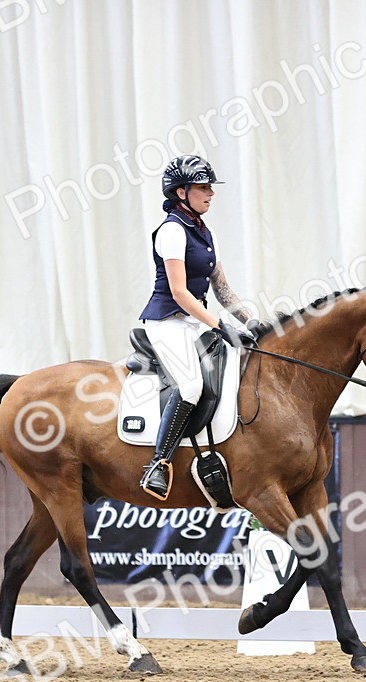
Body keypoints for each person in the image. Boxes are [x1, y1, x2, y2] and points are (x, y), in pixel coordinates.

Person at [137, 155, 257, 500]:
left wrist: (250, 320)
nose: (210, 194)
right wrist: (220, 325)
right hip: (167, 322)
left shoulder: (206, 232)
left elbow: (221, 289)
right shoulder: (172, 231)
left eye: (210, 188)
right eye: (203, 188)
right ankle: (158, 464)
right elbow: (179, 292)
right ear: (180, 192)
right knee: (190, 386)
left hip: (194, 321)